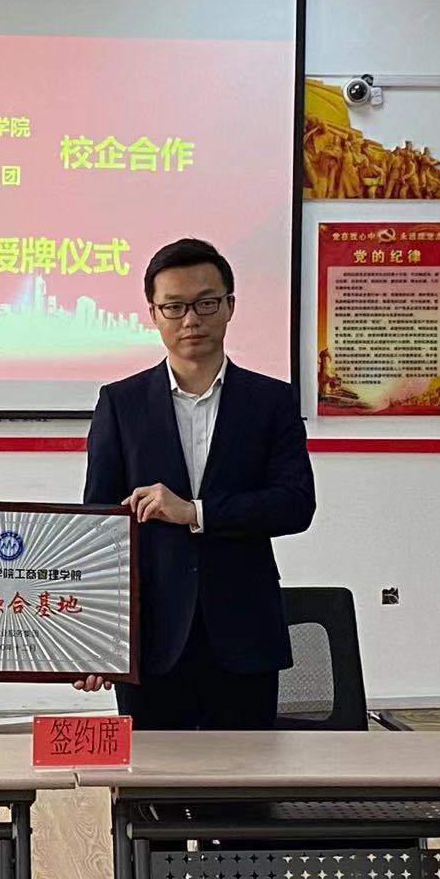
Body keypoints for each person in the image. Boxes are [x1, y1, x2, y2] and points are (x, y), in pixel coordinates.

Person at [77, 238, 316, 730]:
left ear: (230, 306)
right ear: (153, 314)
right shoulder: (121, 404)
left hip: (244, 632)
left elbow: (295, 505)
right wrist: (97, 638)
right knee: (153, 776)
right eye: (174, 307)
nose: (191, 320)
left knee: (246, 775)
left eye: (206, 303)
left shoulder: (271, 401)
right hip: (150, 635)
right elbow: (100, 528)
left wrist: (195, 512)